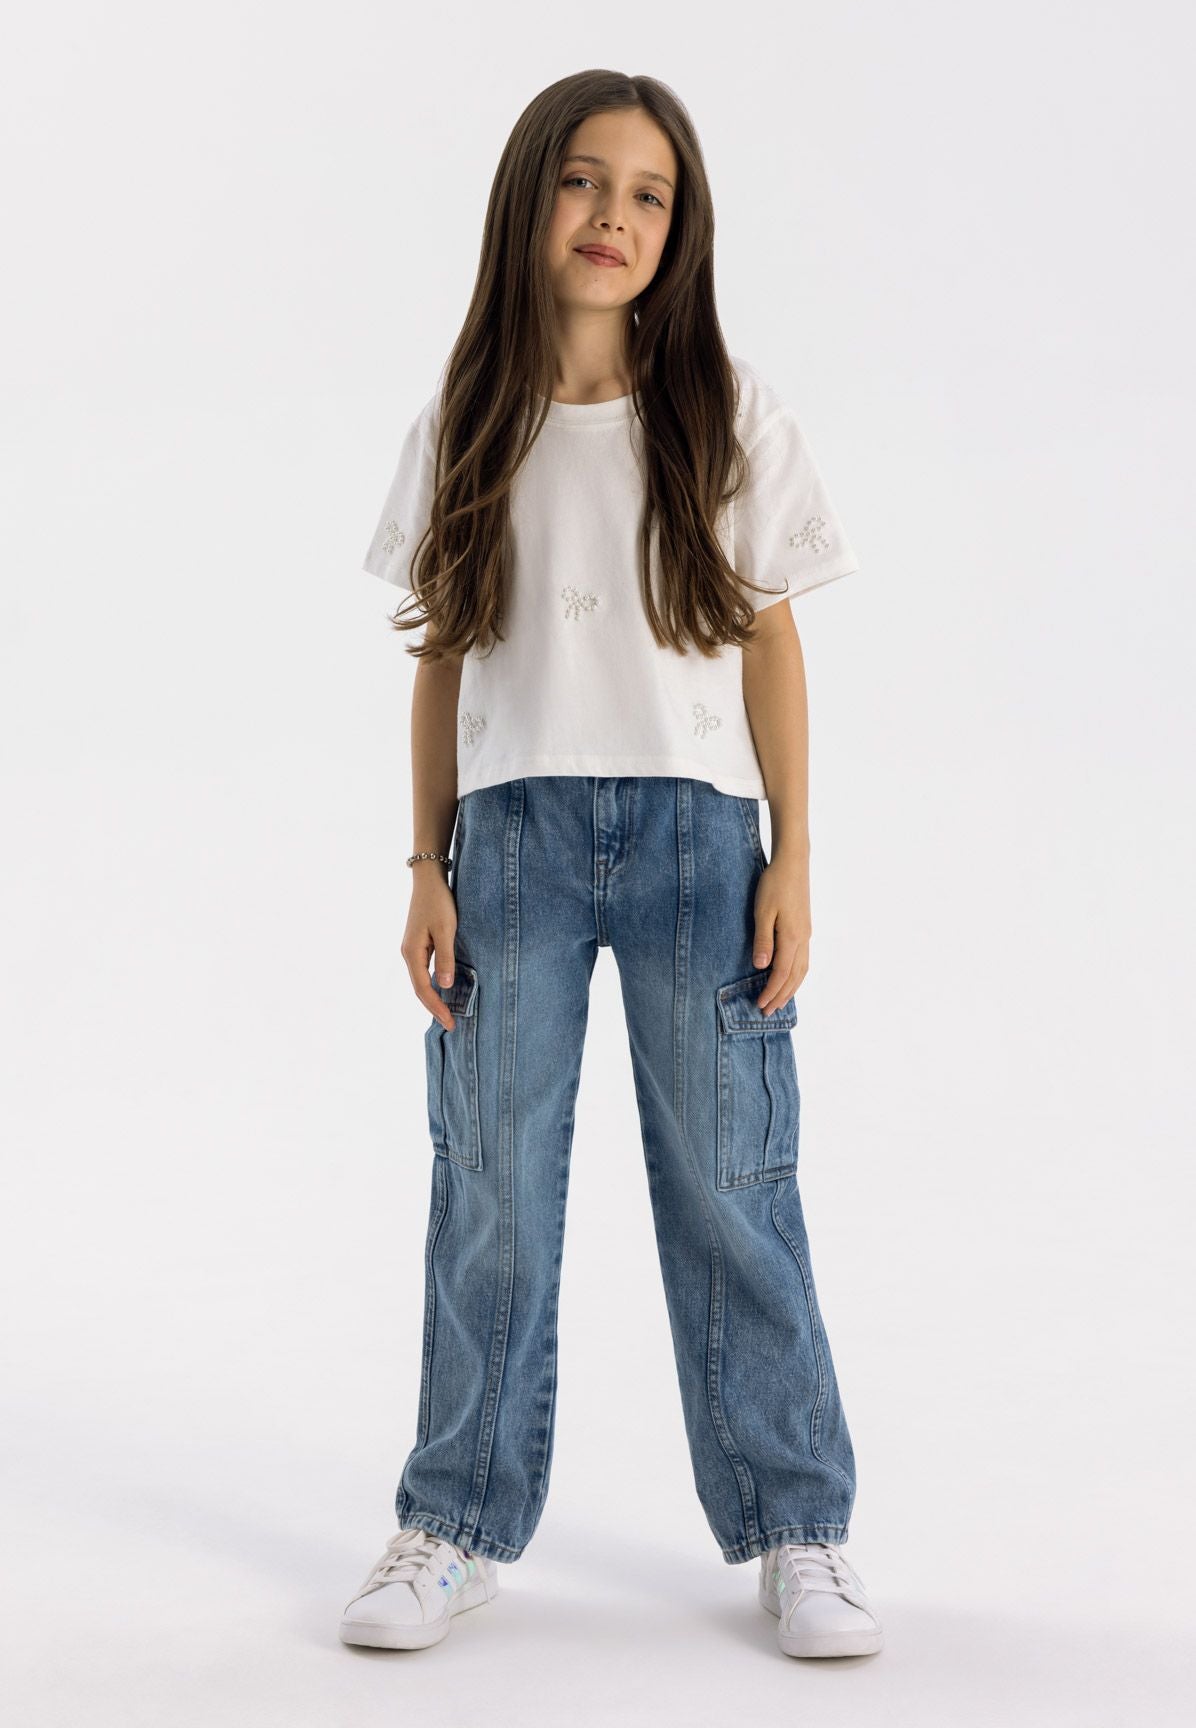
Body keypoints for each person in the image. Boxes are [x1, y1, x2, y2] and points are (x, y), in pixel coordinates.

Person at [338, 69, 883, 1662]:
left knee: (732, 1180)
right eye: (585, 183)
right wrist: (424, 863)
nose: (615, 218)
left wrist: (793, 855)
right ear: (532, 201)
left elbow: (772, 643)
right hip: (506, 843)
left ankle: (800, 1527)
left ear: (680, 227)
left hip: (699, 835)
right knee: (491, 1183)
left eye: (649, 195)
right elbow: (442, 652)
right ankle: (453, 1521)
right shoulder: (469, 420)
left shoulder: (726, 408)